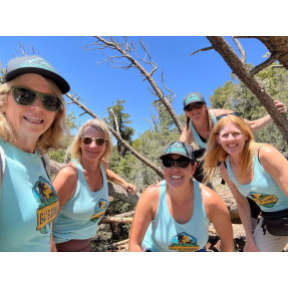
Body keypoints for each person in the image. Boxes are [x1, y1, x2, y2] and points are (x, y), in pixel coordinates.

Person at [179, 92, 287, 228]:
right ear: (186, 113)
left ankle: (253, 218)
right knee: (191, 158)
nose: (194, 110)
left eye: (198, 105)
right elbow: (179, 149)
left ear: (205, 106)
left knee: (247, 176)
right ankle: (212, 198)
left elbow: (251, 126)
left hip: (236, 154)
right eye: (189, 108)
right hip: (216, 157)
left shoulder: (222, 117)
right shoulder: (189, 130)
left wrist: (272, 113)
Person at [0, 55, 70, 252]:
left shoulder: (41, 159)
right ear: (3, 102)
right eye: (24, 94)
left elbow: (44, 232)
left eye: (49, 100)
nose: (38, 107)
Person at [203, 115, 288, 252]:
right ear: (218, 139)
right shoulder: (225, 168)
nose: (230, 139)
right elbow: (242, 203)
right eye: (225, 135)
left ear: (246, 135)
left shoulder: (265, 154)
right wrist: (249, 239)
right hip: (271, 221)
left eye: (236, 133)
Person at [129, 141, 234, 252]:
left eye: (182, 162)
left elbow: (227, 242)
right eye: (168, 162)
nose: (175, 168)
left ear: (193, 168)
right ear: (163, 166)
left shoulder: (211, 201)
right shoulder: (151, 196)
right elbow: (135, 243)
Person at [52, 119, 137, 252]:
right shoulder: (69, 175)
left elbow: (107, 172)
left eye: (99, 141)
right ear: (80, 142)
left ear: (106, 145)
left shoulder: (102, 165)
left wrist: (124, 184)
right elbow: (44, 223)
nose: (93, 146)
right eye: (87, 140)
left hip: (87, 246)